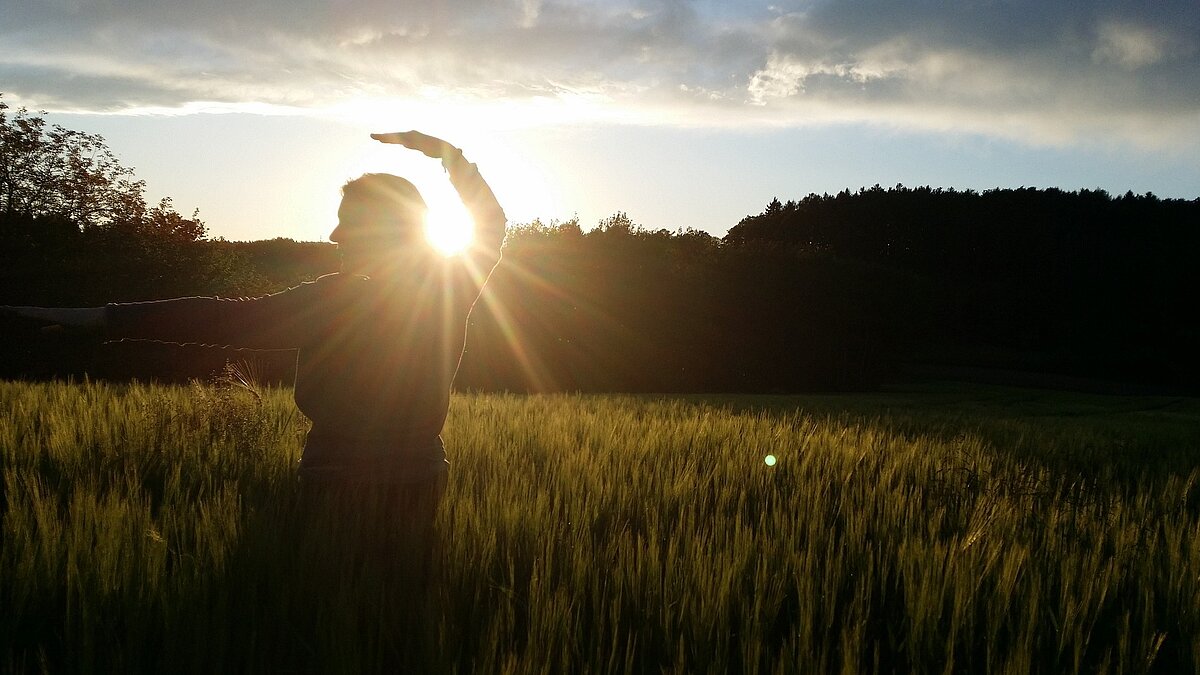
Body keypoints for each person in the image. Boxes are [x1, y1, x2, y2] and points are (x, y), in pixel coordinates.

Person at [1, 131, 506, 563]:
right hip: (419, 473)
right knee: (403, 614)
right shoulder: (449, 287)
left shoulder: (335, 299)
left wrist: (100, 319)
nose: (334, 234)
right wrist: (446, 154)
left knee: (325, 606)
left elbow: (220, 317)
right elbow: (490, 225)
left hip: (337, 473)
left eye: (347, 221)